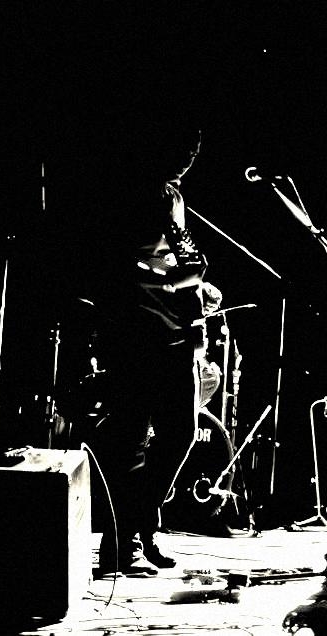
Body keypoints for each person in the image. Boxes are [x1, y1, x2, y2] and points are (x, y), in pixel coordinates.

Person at [84, 120, 223, 576]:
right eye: (182, 151)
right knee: (131, 441)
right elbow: (113, 263)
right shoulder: (133, 193)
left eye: (194, 154)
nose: (188, 161)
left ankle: (142, 527)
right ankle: (121, 545)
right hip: (135, 330)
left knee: (180, 433)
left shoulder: (173, 196)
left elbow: (185, 261)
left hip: (173, 329)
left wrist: (195, 300)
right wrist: (171, 276)